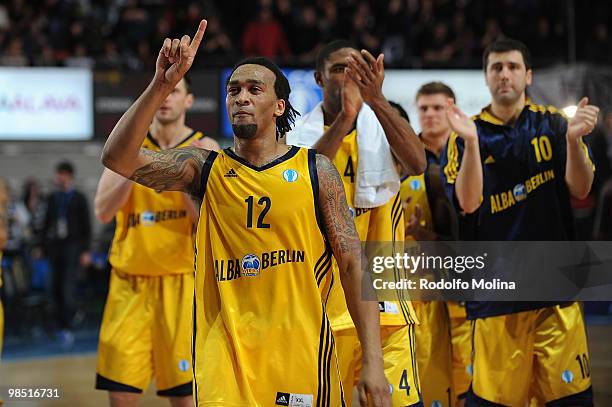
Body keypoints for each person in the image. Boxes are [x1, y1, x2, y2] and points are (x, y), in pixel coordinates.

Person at [100, 20, 391, 407]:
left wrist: (373, 361)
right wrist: (162, 84)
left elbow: (355, 265)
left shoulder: (316, 170)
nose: (241, 97)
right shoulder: (204, 168)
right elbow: (118, 157)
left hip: (299, 353)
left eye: (255, 89)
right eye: (233, 90)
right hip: (226, 359)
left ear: (279, 105)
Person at [441, 38, 598, 406]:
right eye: (496, 68)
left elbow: (581, 188)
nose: (504, 74)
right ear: (486, 77)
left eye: (512, 67)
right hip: (497, 298)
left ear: (527, 75)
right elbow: (468, 203)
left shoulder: (555, 124)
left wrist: (574, 142)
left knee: (570, 400)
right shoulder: (467, 134)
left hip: (556, 294)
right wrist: (472, 144)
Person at [286, 40, 426, 406]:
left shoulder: (385, 122)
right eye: (337, 69)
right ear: (318, 78)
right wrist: (346, 118)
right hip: (322, 311)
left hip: (386, 308)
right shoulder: (296, 138)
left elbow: (417, 163)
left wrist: (376, 101)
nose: (348, 75)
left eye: (356, 68)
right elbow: (304, 182)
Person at [94, 73, 219, 406]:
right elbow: (103, 211)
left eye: (175, 91)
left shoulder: (203, 148)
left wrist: (177, 174)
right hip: (129, 284)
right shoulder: (128, 148)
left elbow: (211, 220)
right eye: (163, 90)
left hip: (181, 285)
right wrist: (136, 164)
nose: (167, 97)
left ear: (188, 101)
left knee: (185, 398)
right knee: (120, 395)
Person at [399, 83, 471, 407]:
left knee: (474, 379)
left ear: (452, 108)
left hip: (471, 281)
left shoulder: (469, 149)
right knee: (433, 379)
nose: (429, 115)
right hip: (424, 289)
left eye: (437, 108)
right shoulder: (405, 154)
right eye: (424, 108)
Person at [41, 161, 92, 345]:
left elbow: (87, 226)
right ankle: (59, 325)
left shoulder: (78, 198)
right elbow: (47, 223)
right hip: (55, 248)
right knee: (53, 287)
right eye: (58, 174)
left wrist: (86, 251)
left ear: (69, 175)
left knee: (67, 288)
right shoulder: (52, 198)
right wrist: (42, 246)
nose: (59, 178)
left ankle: (68, 325)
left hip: (73, 248)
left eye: (62, 174)